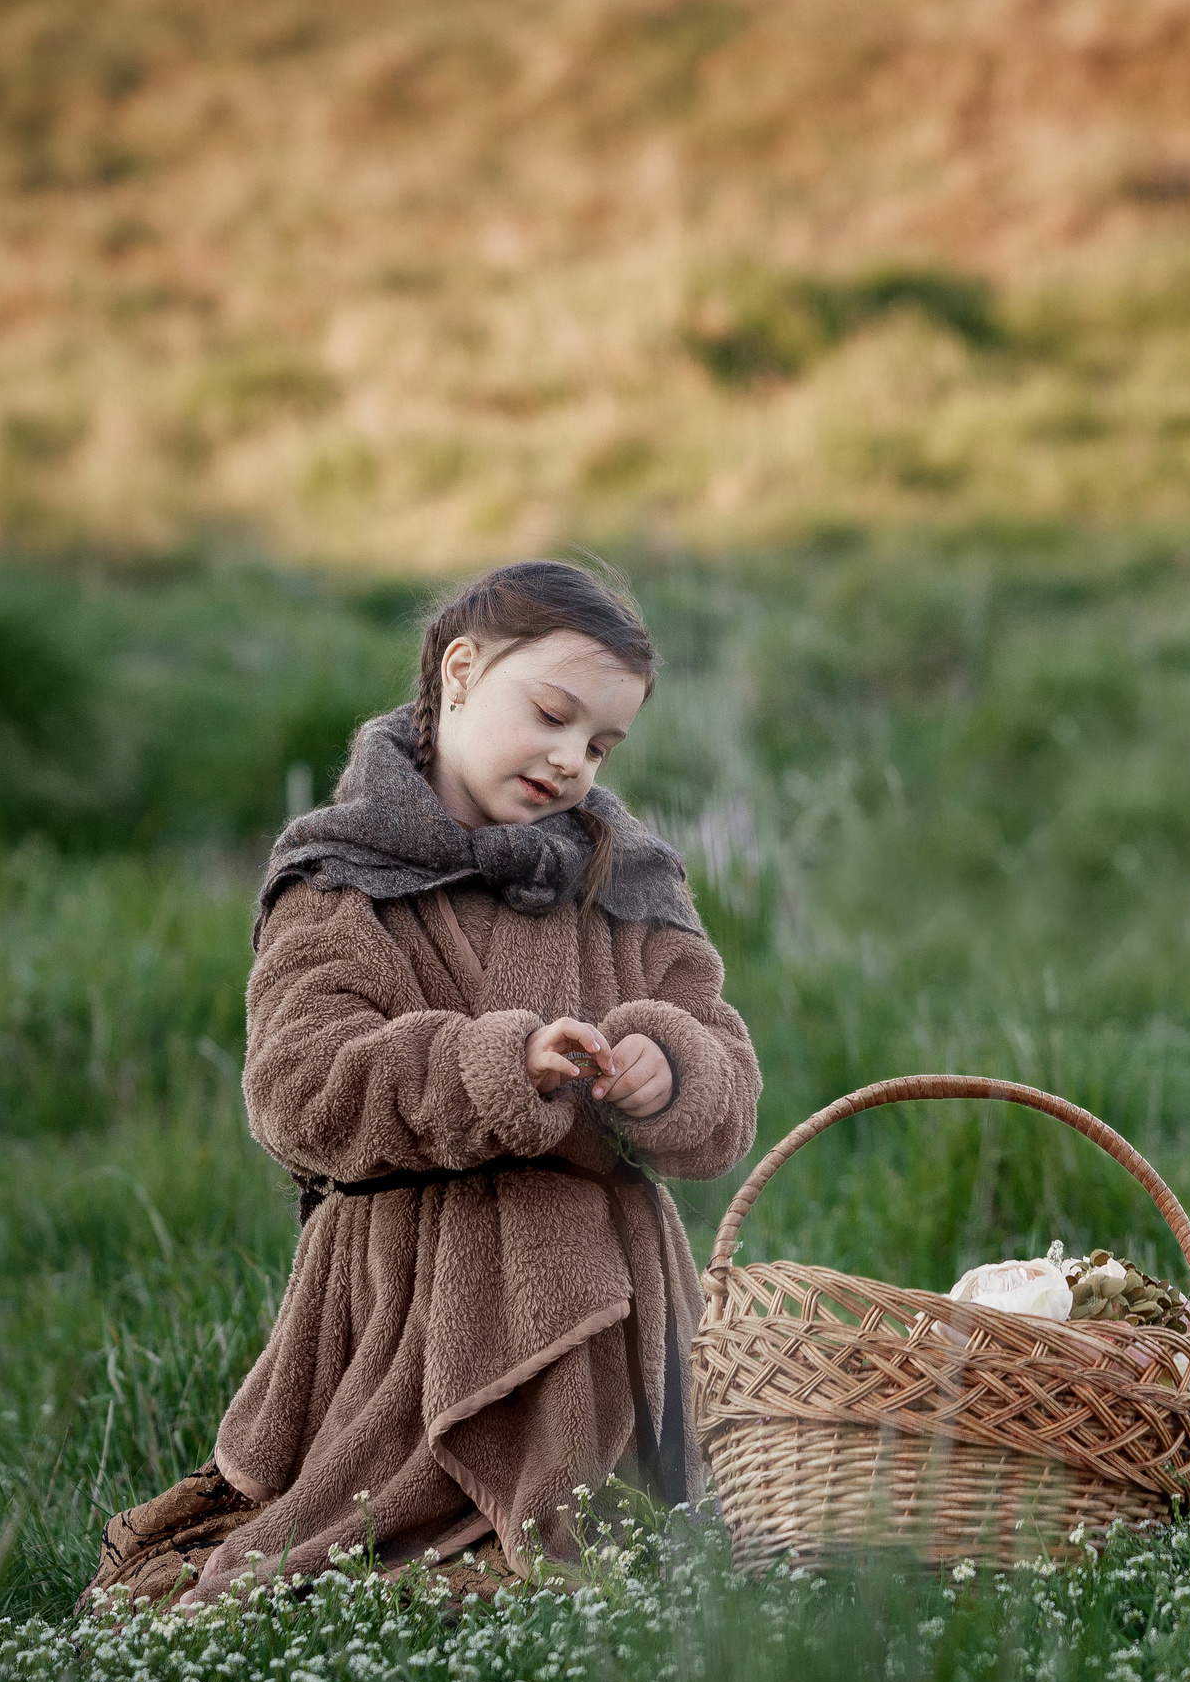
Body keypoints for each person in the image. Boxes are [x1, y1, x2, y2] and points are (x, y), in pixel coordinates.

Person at [87, 560, 760, 1609]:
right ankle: (432, 1505)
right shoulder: (344, 876)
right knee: (364, 1547)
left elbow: (723, 1078)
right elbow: (298, 1089)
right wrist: (494, 1065)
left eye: (601, 744)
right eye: (550, 714)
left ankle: (595, 1506)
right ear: (458, 672)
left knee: (645, 1554)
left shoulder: (625, 881)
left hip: (615, 1311)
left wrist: (665, 1065)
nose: (570, 759)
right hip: (409, 1309)